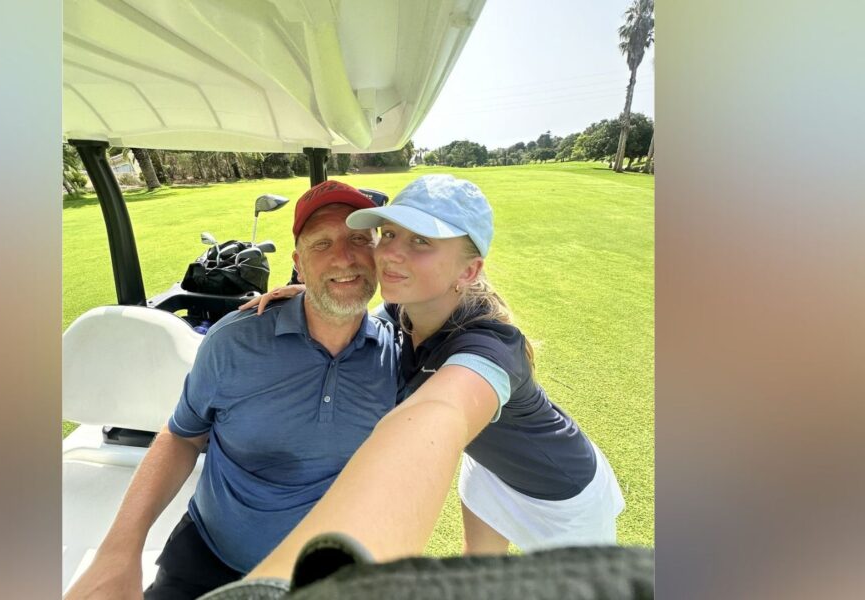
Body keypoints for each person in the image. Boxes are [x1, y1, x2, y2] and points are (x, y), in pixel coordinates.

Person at [242, 174, 625, 581]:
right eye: (390, 234)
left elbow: (443, 410)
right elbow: (357, 317)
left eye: (421, 241)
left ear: (469, 270)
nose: (390, 253)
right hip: (490, 466)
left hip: (563, 495)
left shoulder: (490, 347)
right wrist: (310, 296)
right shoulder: (403, 310)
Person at [63, 180, 399, 600]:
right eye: (321, 244)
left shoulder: (399, 354)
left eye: (359, 240)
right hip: (211, 558)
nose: (344, 257)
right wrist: (119, 550)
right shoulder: (233, 342)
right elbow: (182, 436)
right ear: (298, 263)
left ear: (379, 253)